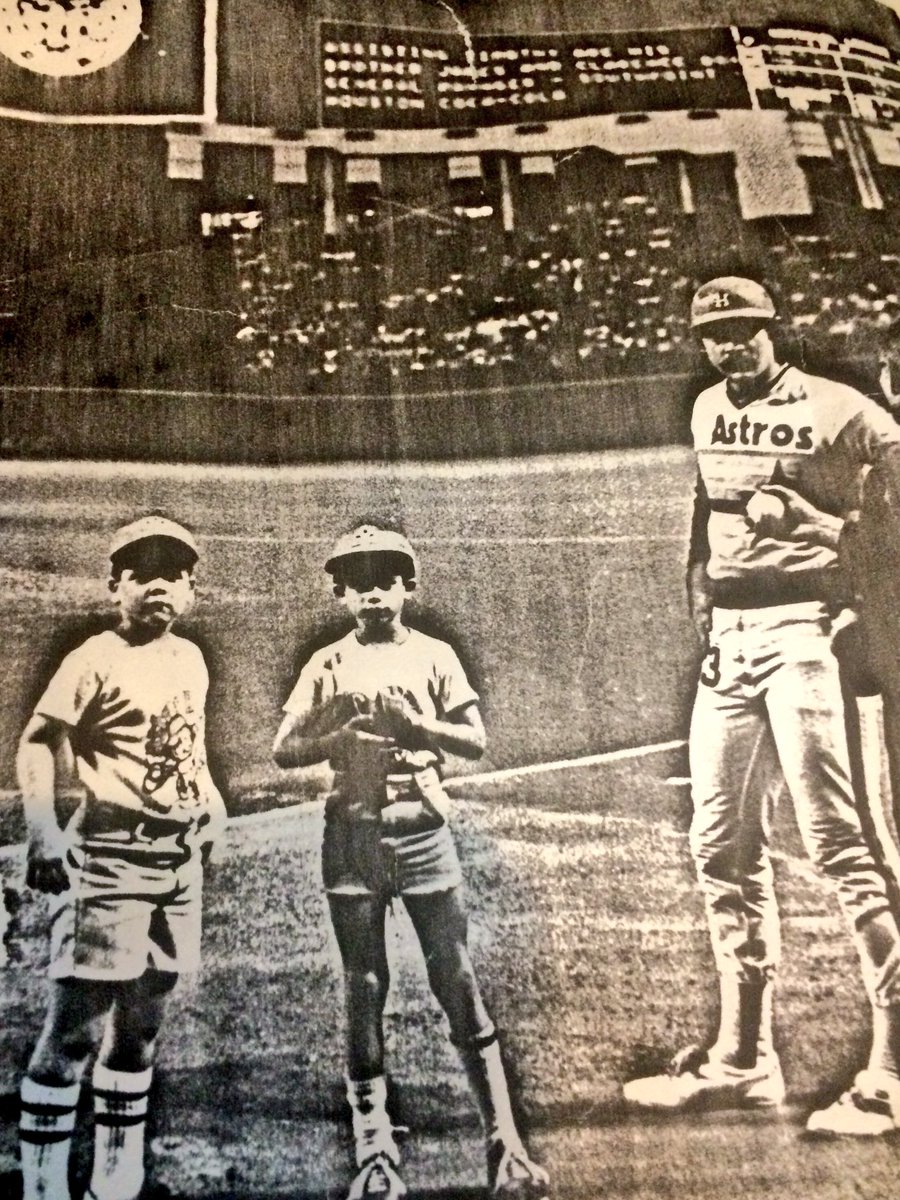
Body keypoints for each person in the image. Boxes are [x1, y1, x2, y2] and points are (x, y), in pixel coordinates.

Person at [622, 277, 900, 1135]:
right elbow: (706, 517)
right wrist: (701, 602)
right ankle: (744, 1059)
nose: (729, 345)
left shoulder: (840, 408)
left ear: (771, 329)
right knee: (720, 845)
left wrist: (842, 551)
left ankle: (891, 1071)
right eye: (714, 334)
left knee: (843, 845)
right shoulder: (707, 408)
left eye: (743, 330)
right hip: (732, 643)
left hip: (811, 632)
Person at [273, 524, 549, 1200]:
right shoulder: (327, 663)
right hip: (352, 834)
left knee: (455, 976)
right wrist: (335, 736)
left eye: (385, 580)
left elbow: (474, 740)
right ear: (341, 594)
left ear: (407, 586)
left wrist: (417, 728)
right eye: (358, 583)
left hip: (422, 829)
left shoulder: (434, 654)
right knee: (364, 985)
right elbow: (283, 748)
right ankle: (374, 1151)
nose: (372, 594)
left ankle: (505, 1142)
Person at [17, 515, 226, 1200]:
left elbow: (187, 747)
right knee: (76, 1031)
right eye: (143, 573)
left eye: (175, 574)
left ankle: (116, 1183)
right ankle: (43, 1190)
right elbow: (37, 740)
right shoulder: (94, 658)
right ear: (116, 586)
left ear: (191, 590)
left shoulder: (189, 658)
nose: (160, 585)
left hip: (177, 865)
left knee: (142, 1026)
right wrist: (44, 831)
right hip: (109, 856)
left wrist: (212, 803)